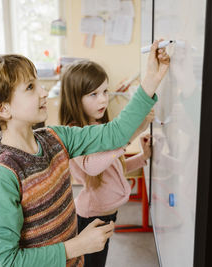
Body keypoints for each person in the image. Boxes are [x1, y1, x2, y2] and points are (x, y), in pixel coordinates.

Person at [0, 39, 169, 266]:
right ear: (2, 108)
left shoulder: (56, 137)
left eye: (38, 83)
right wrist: (78, 246)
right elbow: (4, 262)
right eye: (30, 87)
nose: (44, 91)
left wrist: (151, 80)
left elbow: (114, 134)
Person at [59, 60, 154, 267]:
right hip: (90, 216)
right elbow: (93, 166)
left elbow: (115, 169)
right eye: (93, 94)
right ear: (75, 98)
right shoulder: (74, 132)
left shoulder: (99, 126)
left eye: (105, 91)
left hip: (107, 213)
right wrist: (131, 135)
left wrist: (142, 157)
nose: (103, 99)